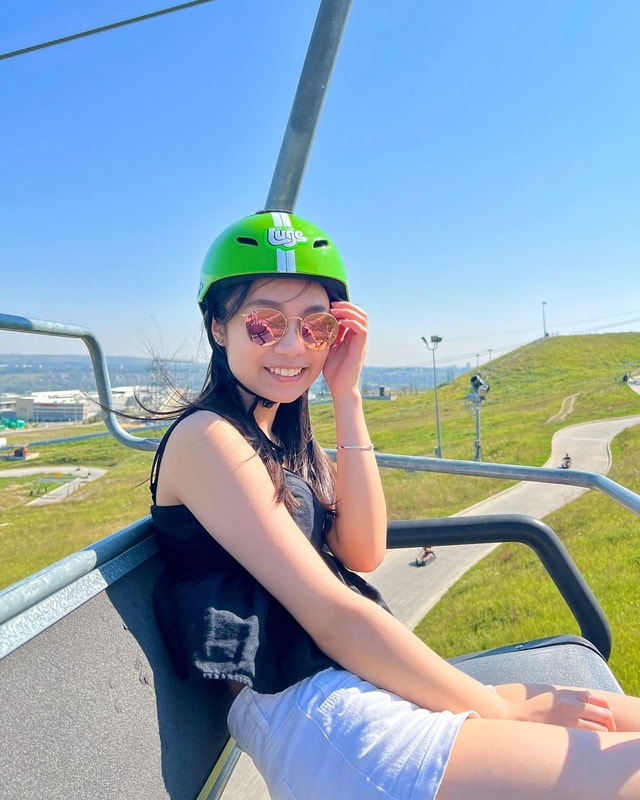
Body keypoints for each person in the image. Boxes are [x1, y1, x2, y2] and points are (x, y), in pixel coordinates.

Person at [150, 210, 640, 800]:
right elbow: (331, 612)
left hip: (360, 684)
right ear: (216, 326)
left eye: (315, 327)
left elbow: (363, 549)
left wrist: (347, 394)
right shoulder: (208, 439)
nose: (291, 346)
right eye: (263, 324)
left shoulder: (277, 435)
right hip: (327, 723)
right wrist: (498, 710)